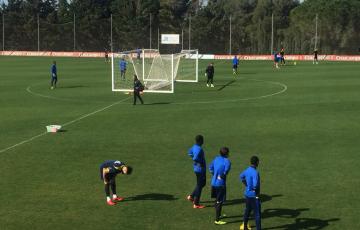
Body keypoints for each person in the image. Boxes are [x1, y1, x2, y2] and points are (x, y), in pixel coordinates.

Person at [209, 147, 231, 225]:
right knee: (219, 201)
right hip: (220, 184)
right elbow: (225, 172)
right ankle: (217, 220)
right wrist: (221, 176)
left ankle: (219, 214)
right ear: (227, 154)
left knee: (217, 199)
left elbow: (210, 168)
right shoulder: (227, 161)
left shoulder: (216, 158)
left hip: (213, 183)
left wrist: (215, 174)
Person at [239, 156, 261, 230]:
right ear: (257, 162)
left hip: (247, 194)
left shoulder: (247, 170)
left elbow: (241, 177)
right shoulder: (255, 172)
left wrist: (246, 184)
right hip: (254, 196)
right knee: (257, 214)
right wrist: (256, 193)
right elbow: (255, 185)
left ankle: (245, 226)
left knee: (247, 210)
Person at [187, 135, 206, 209]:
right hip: (200, 169)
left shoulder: (194, 147)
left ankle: (191, 196)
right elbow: (195, 158)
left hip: (196, 169)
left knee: (201, 184)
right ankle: (196, 203)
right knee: (200, 185)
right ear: (201, 141)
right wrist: (199, 163)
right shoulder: (199, 149)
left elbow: (190, 153)